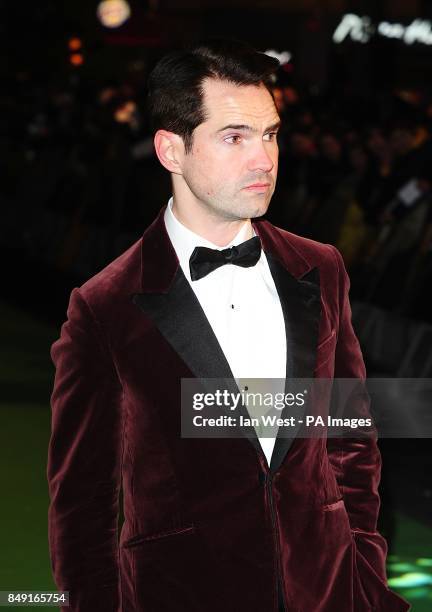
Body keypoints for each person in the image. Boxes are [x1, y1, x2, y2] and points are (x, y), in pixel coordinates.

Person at [47, 39, 410, 612]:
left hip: (327, 591)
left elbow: (350, 440)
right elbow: (82, 506)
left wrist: (364, 579)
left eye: (269, 134)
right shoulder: (104, 307)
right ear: (171, 150)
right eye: (234, 136)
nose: (264, 159)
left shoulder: (321, 268)